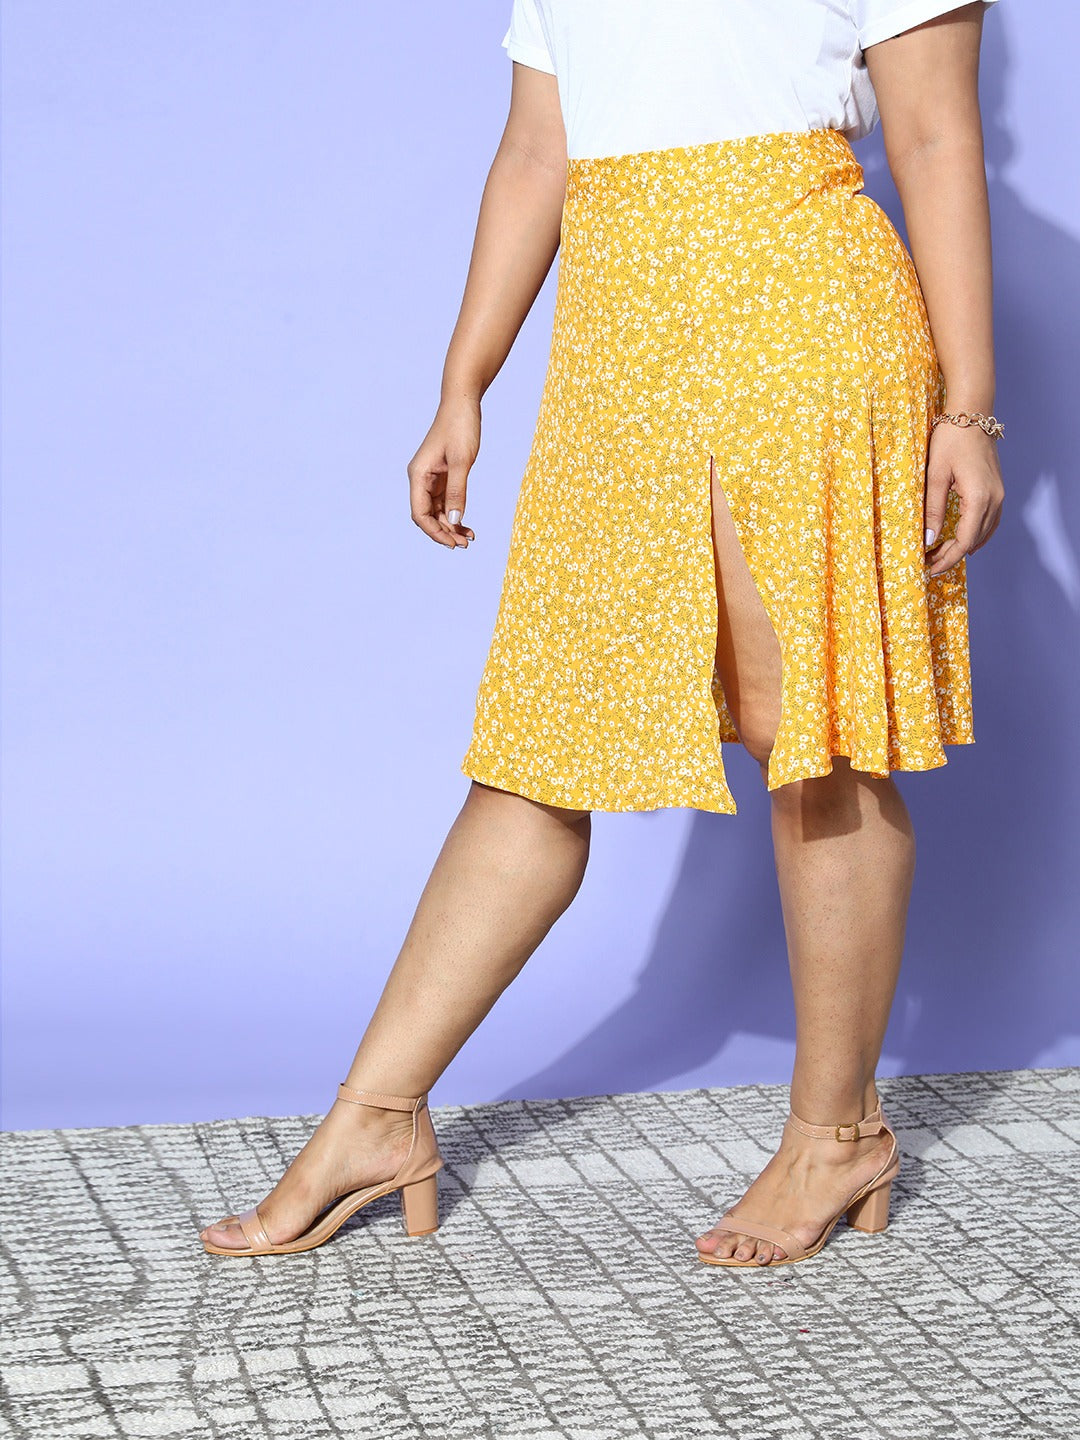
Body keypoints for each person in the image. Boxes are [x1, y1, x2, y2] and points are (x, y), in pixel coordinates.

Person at [200, 0, 1005, 1267]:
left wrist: (969, 410)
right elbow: (536, 151)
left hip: (800, 313)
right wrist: (463, 383)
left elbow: (938, 136)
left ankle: (838, 1134)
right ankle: (377, 1118)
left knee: (809, 731)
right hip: (618, 339)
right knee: (543, 736)